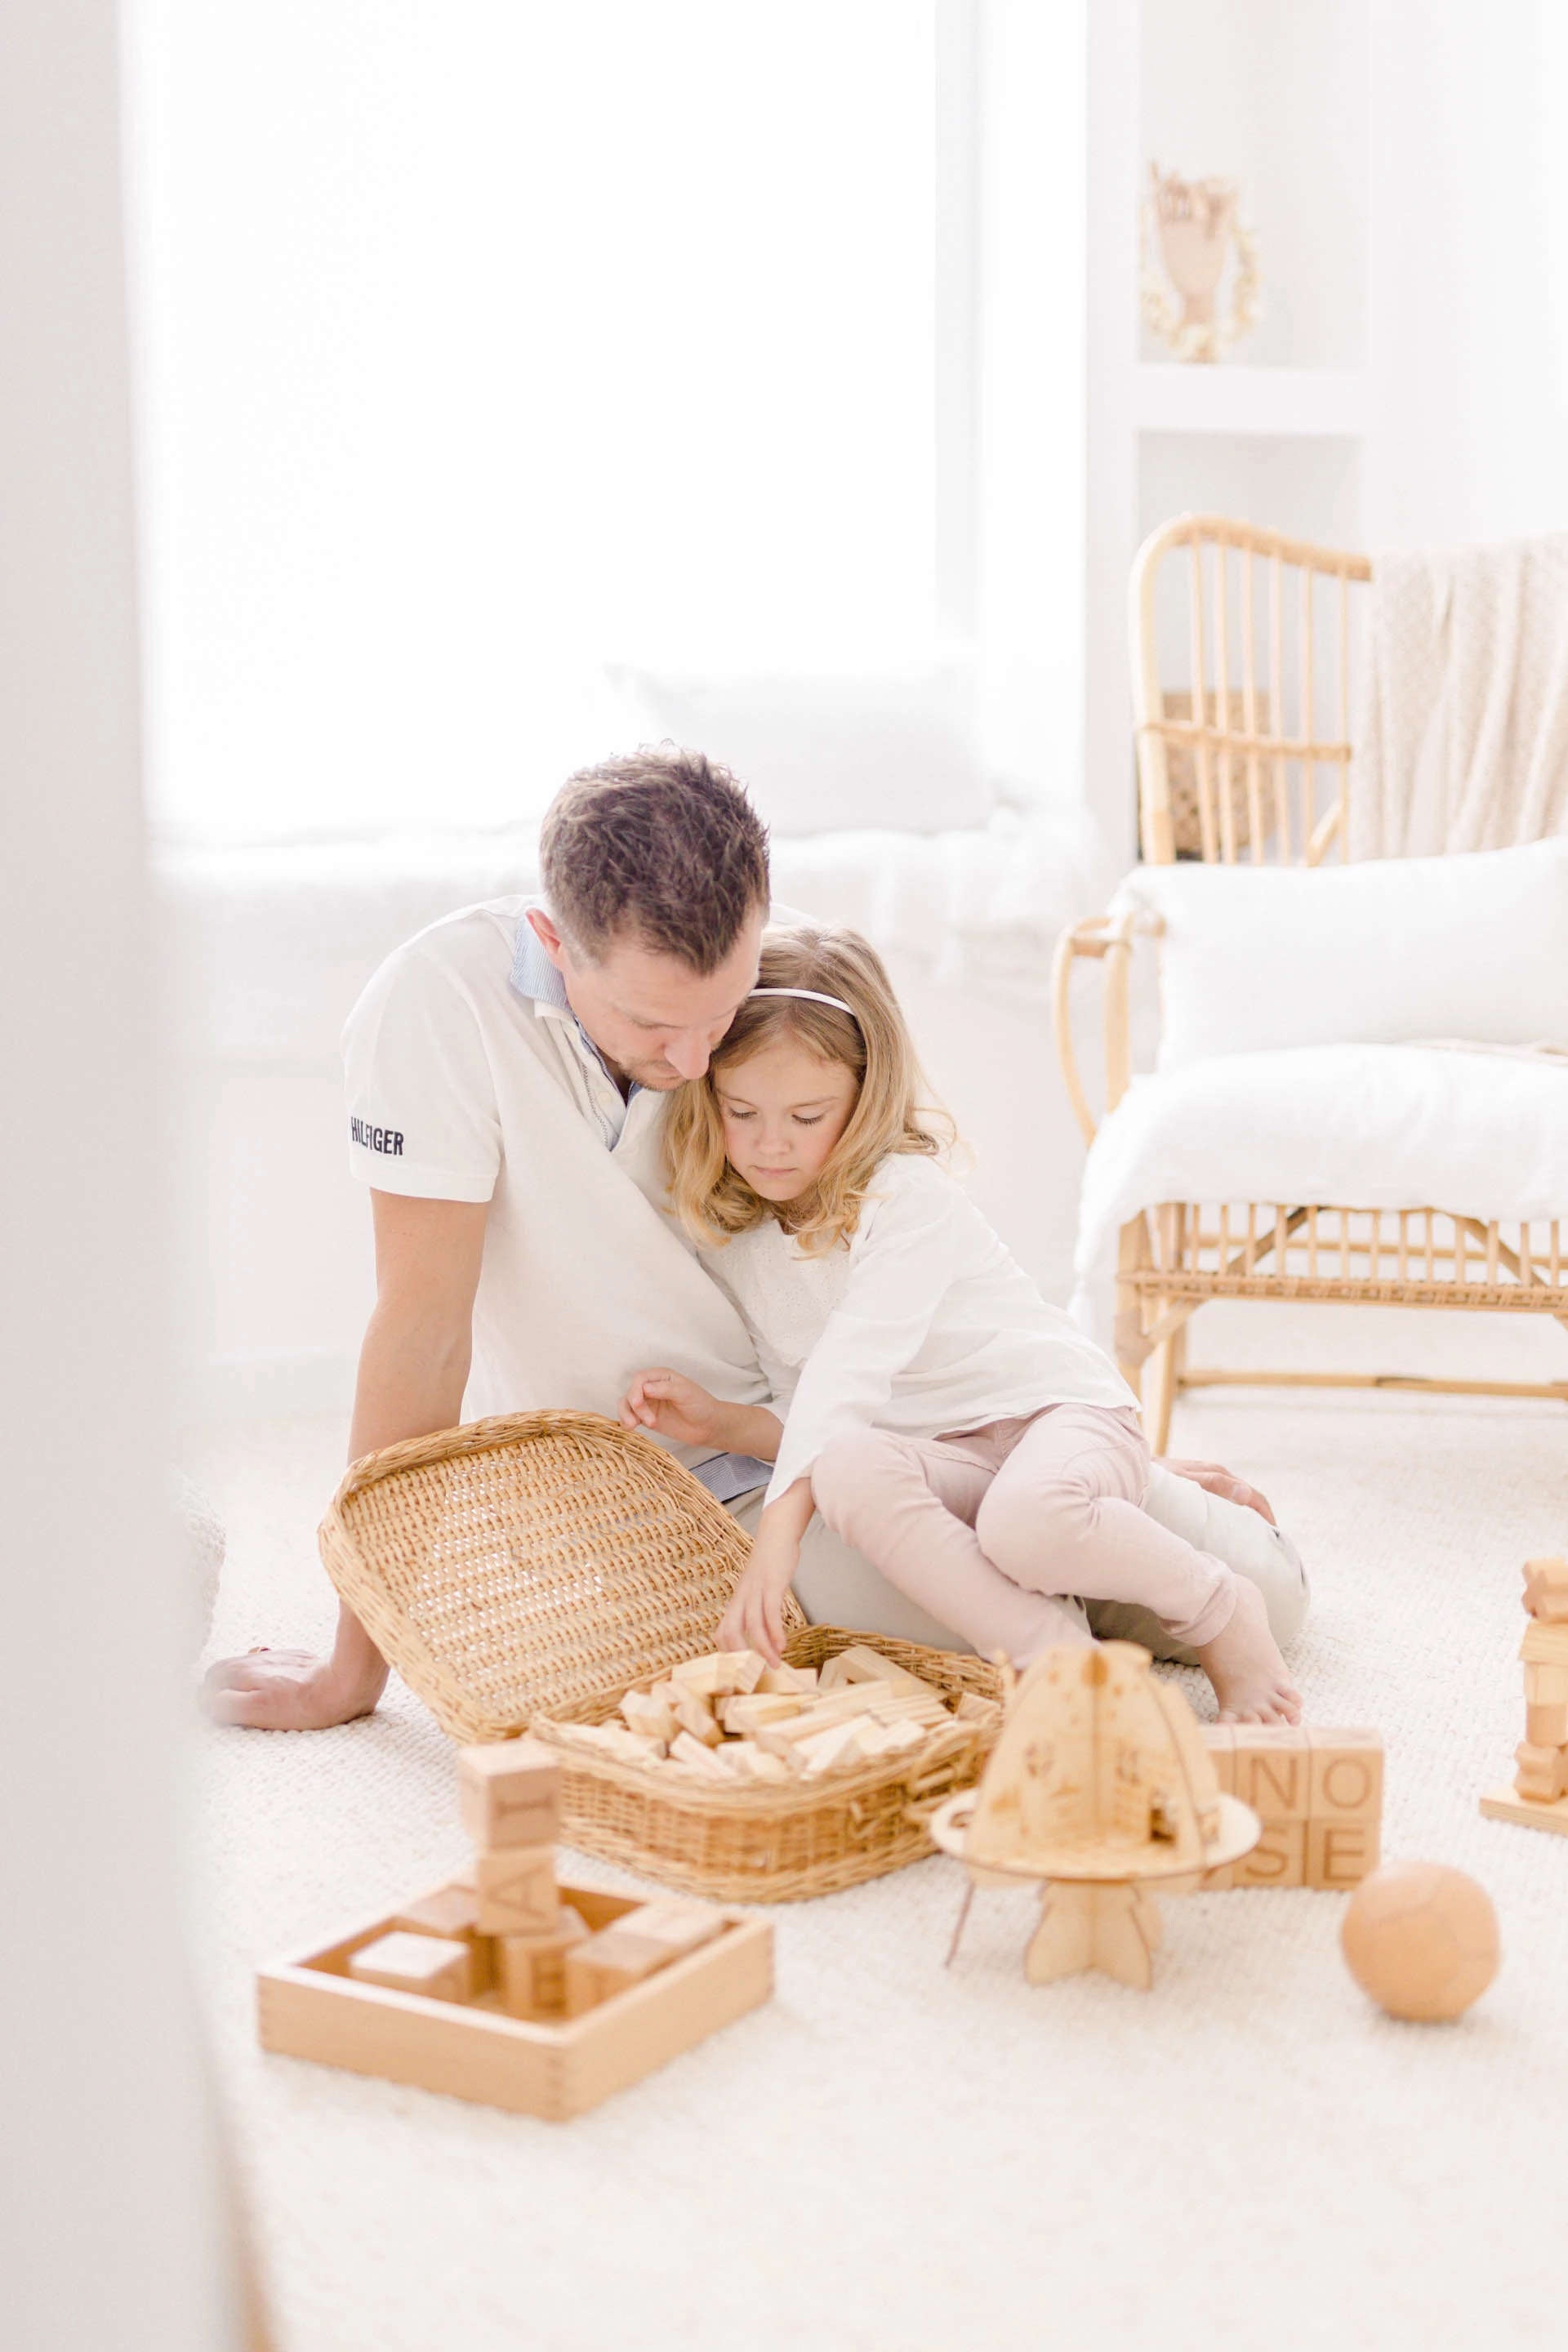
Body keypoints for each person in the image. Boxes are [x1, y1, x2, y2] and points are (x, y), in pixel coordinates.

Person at [206, 748, 1300, 1732]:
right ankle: (1075, 1510)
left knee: (1267, 1597)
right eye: (649, 1027)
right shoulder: (437, 1011)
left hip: (880, 1426)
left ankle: (1090, 1485)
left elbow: (903, 1262)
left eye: (718, 1019)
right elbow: (421, 1337)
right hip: (714, 1480)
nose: (691, 1063)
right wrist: (359, 1668)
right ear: (553, 940)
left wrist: (1083, 1450)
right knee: (971, 1639)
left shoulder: (749, 1001)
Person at [620, 924, 1304, 1722]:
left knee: (1028, 1522)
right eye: (743, 1112)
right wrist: (723, 1423)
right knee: (845, 1471)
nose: (771, 1146)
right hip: (958, 1462)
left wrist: (774, 1549)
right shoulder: (743, 1240)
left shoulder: (906, 1198)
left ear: (865, 1096)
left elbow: (850, 1373)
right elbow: (817, 1416)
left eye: (807, 1116)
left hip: (1058, 1417)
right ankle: (1062, 1663)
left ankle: (1222, 1607)